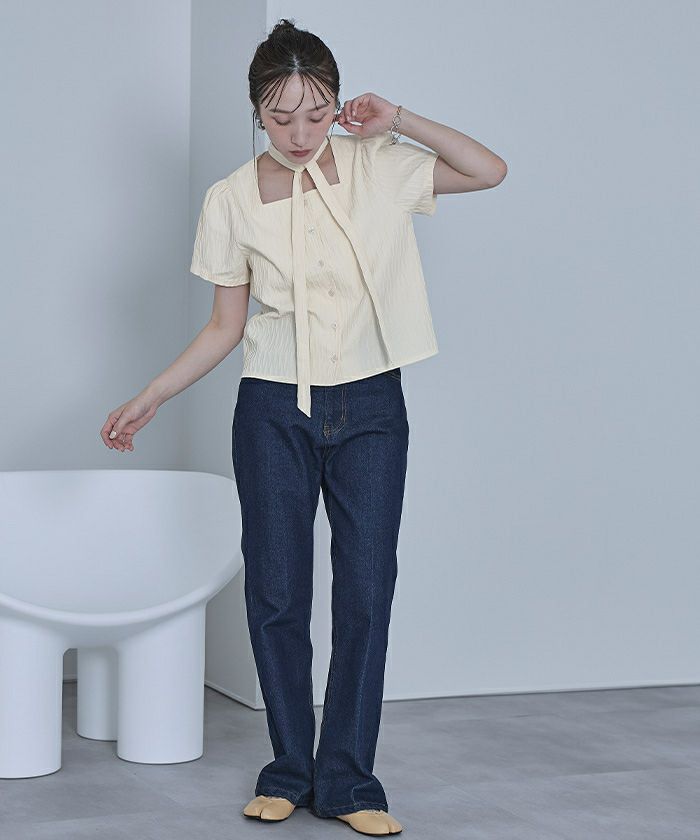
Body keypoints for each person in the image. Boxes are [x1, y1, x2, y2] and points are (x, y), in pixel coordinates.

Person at [100, 17, 506, 837]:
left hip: (373, 407)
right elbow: (225, 325)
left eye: (316, 113)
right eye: (280, 116)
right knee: (278, 594)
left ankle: (349, 780)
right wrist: (154, 394)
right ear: (256, 110)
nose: (299, 132)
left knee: (366, 593)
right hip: (273, 409)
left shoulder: (378, 164)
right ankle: (289, 768)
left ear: (338, 105)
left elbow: (488, 170)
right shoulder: (229, 199)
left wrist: (400, 119)